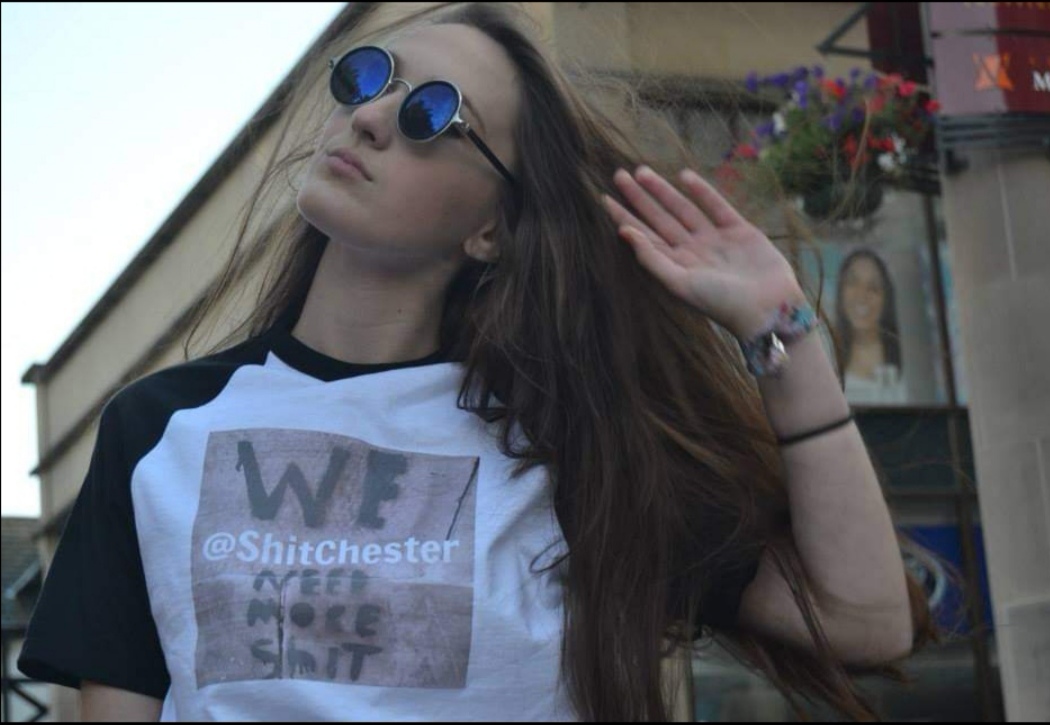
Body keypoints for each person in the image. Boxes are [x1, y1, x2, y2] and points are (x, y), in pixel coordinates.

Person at [19, 3, 935, 721]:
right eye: (369, 78)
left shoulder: (572, 449)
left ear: (491, 228)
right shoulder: (160, 429)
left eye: (432, 114)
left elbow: (865, 619)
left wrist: (783, 332)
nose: (370, 118)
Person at [835, 248, 908, 405]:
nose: (862, 295)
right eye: (852, 283)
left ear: (886, 300)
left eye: (873, 287)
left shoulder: (907, 363)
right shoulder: (828, 361)